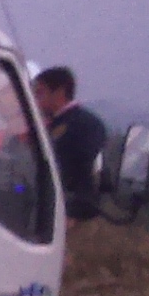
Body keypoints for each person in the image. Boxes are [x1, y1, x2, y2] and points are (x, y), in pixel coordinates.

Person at [31, 67, 106, 224]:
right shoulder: (51, 124)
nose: (34, 100)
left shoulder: (83, 124)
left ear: (59, 93)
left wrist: (74, 212)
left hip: (74, 215)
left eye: (39, 93)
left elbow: (82, 172)